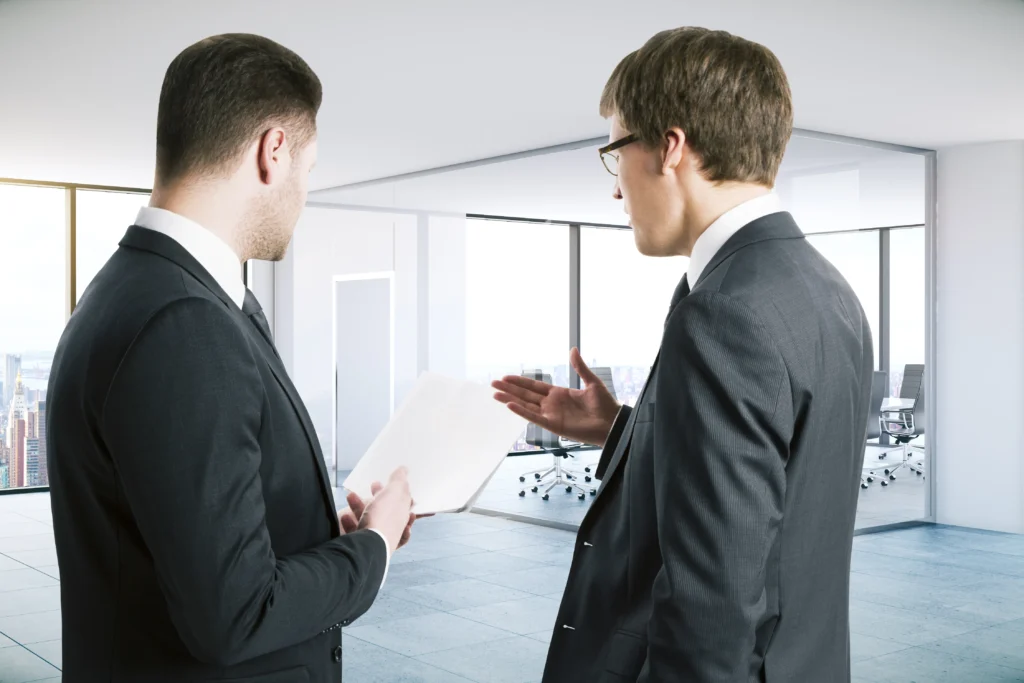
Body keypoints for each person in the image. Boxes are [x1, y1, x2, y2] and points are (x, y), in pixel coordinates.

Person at [494, 27, 873, 683]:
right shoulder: (825, 288)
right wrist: (622, 429)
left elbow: (712, 610)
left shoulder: (724, 311)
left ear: (670, 148)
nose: (616, 191)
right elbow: (772, 492)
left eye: (615, 153)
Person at [47, 33, 415, 682]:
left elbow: (180, 530)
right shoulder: (183, 323)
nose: (304, 193)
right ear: (273, 151)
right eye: (308, 169)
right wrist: (375, 547)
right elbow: (235, 616)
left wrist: (319, 536)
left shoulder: (137, 291)